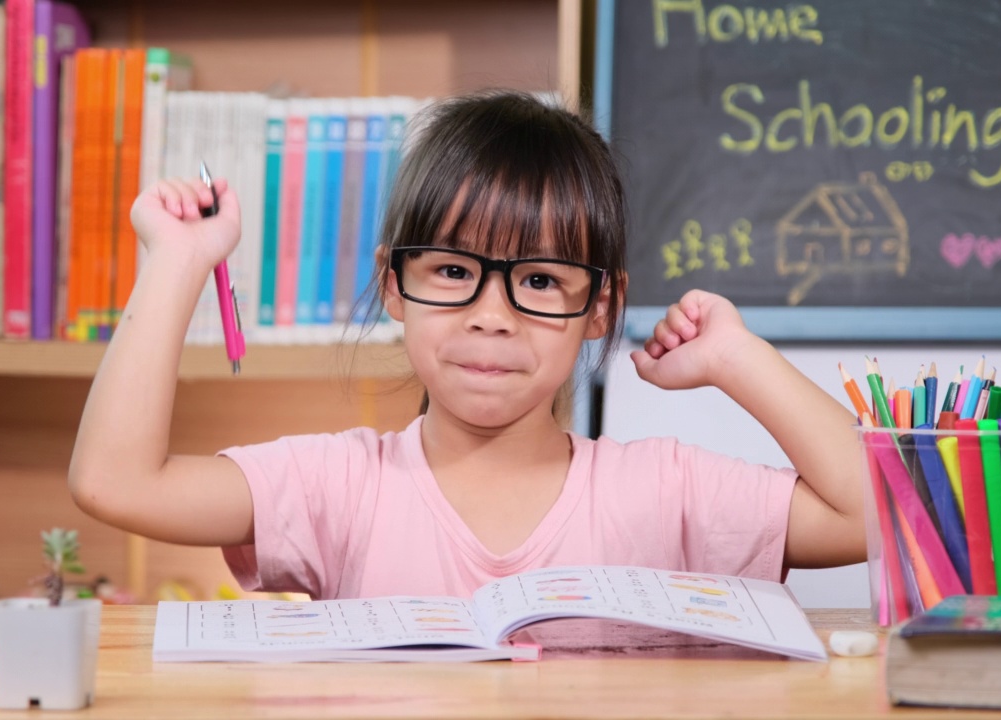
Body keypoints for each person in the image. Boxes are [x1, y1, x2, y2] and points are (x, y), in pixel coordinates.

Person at [68, 91, 865, 600]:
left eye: (543, 281)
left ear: (601, 307)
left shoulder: (664, 491)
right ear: (392, 285)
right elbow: (114, 483)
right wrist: (175, 263)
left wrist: (737, 357)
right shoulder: (336, 486)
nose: (493, 315)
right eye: (453, 270)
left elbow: (877, 517)